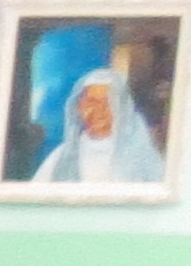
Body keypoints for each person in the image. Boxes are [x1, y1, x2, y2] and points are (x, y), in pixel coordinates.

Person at [35, 67, 165, 187]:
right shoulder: (60, 158)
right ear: (78, 107)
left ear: (123, 109)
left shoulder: (143, 158)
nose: (99, 110)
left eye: (108, 102)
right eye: (91, 102)